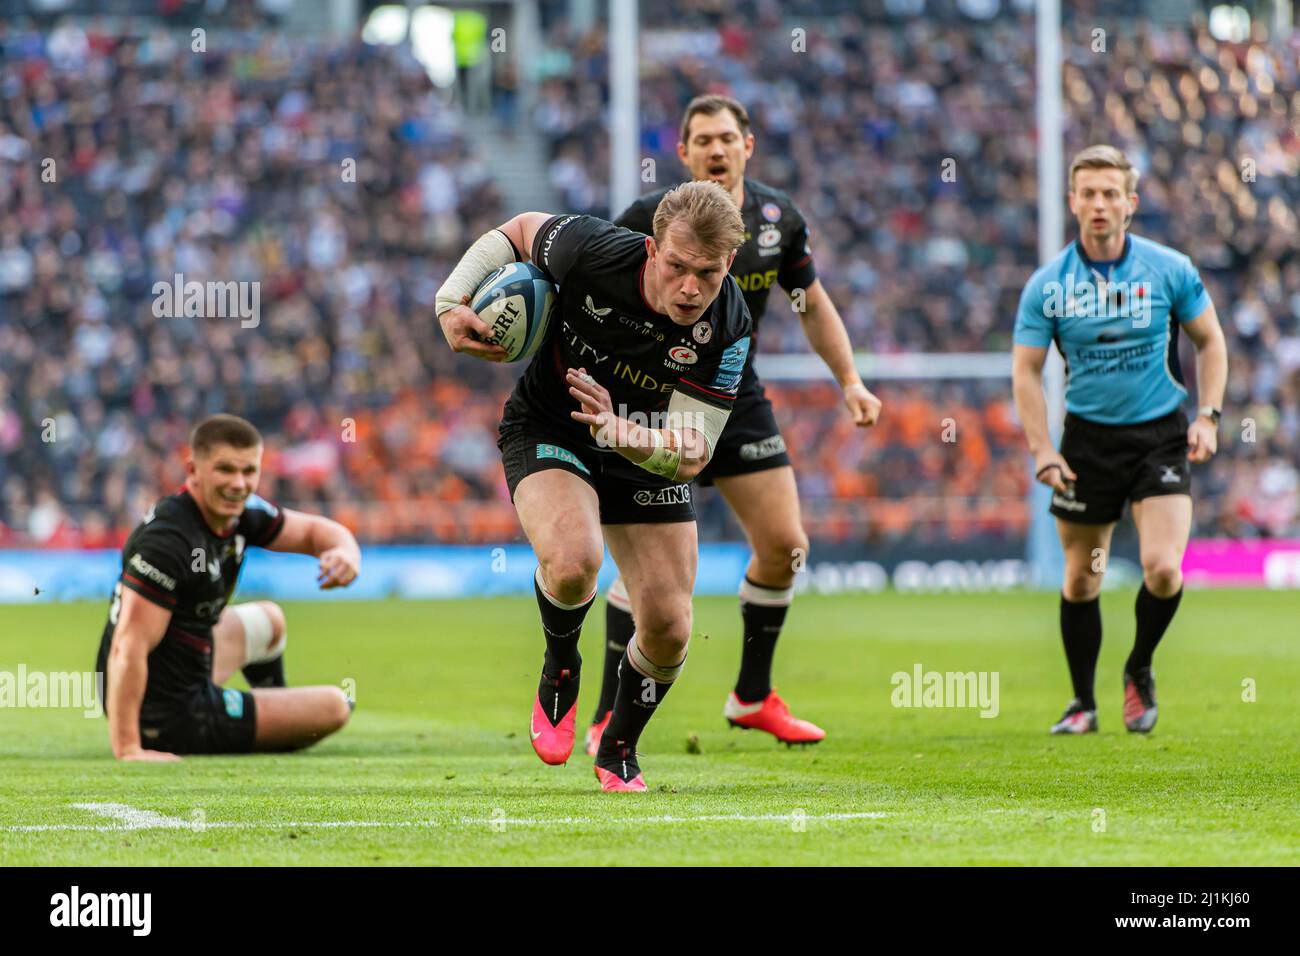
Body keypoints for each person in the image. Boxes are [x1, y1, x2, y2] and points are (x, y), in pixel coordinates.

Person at [588, 94, 882, 752]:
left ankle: (751, 696)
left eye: (728, 138)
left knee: (786, 546)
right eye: (703, 140)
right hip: (651, 395)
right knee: (651, 575)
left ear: (748, 146)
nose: (716, 150)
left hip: (733, 394)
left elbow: (810, 303)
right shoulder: (645, 219)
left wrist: (851, 380)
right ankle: (609, 713)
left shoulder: (778, 221)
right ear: (683, 153)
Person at [436, 181, 752, 791]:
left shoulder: (730, 323)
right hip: (552, 424)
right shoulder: (593, 251)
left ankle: (619, 746)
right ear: (653, 248)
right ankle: (561, 664)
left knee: (668, 626)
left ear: (728, 264)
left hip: (645, 450)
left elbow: (690, 457)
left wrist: (622, 431)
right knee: (577, 563)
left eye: (707, 274)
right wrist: (451, 301)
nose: (690, 289)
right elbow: (523, 227)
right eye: (679, 267)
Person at [1012, 145, 1228, 734]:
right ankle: (1083, 702)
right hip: (1086, 445)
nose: (1100, 203)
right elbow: (1026, 370)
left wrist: (1207, 415)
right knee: (1083, 578)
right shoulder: (1048, 286)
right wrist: (1043, 450)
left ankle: (1139, 667)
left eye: (1112, 193)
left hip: (1160, 437)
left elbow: (1211, 341)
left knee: (1162, 568)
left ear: (1130, 203)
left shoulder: (1169, 268)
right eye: (1089, 193)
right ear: (1072, 202)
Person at [97, 414, 360, 760]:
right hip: (165, 710)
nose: (238, 483)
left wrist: (346, 552)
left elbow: (314, 533)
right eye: (225, 470)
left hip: (188, 666)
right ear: (193, 470)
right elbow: (127, 646)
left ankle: (268, 713)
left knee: (269, 620)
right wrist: (129, 747)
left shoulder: (241, 512)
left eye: (249, 471)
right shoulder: (170, 540)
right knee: (334, 706)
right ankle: (253, 723)